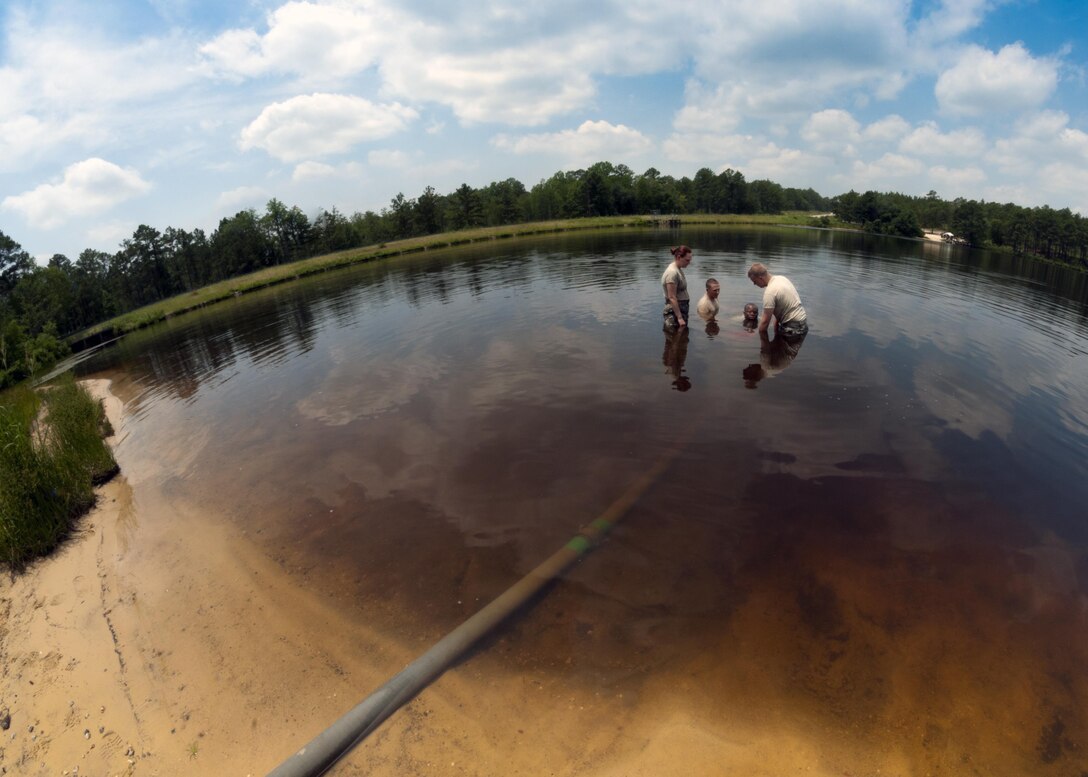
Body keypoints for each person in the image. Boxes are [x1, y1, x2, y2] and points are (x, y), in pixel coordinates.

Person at [746, 263, 807, 339]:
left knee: (781, 350)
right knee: (781, 349)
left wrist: (759, 340)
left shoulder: (770, 292)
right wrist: (775, 331)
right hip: (802, 322)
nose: (754, 284)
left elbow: (765, 323)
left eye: (755, 281)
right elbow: (781, 308)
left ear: (760, 278)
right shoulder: (781, 279)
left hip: (792, 328)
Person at [661, 245, 693, 328]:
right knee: (673, 337)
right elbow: (671, 297)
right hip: (674, 312)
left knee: (681, 339)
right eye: (687, 260)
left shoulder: (678, 269)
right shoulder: (672, 273)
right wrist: (679, 317)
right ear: (679, 257)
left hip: (680, 310)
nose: (689, 263)